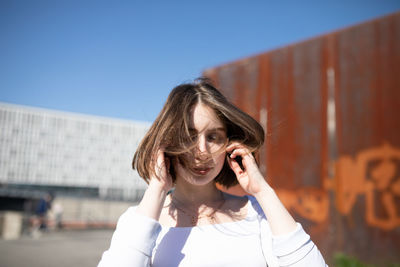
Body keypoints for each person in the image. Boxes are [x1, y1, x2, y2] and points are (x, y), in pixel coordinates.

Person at [98, 78, 327, 267]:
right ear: (166, 144)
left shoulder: (256, 213)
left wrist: (263, 191)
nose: (202, 151)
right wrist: (157, 188)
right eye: (188, 137)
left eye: (214, 137)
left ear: (229, 143)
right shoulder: (140, 219)